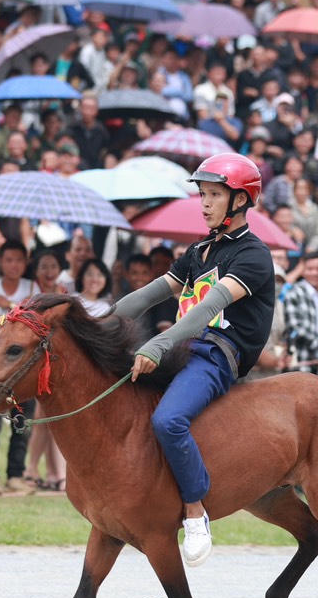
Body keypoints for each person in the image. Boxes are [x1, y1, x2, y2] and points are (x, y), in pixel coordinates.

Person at [114, 153, 275, 566]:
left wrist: (157, 345)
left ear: (240, 200)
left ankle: (195, 512)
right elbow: (148, 295)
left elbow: (205, 311)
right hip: (184, 346)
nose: (203, 202)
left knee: (167, 420)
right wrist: (93, 322)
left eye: (214, 194)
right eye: (202, 193)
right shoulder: (199, 250)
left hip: (218, 354)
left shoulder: (254, 255)